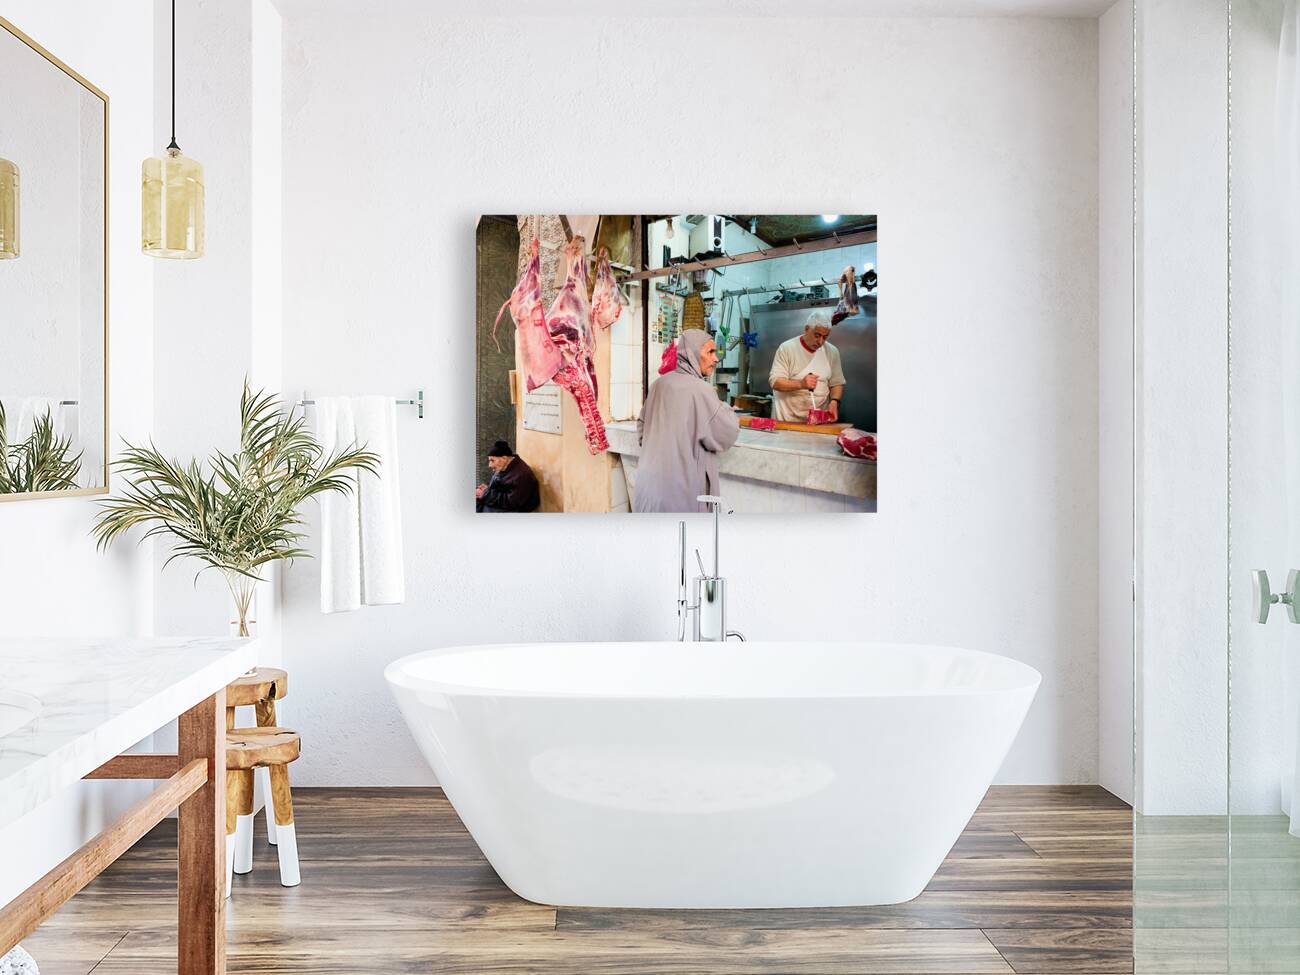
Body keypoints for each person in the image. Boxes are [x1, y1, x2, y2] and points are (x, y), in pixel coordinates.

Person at [633, 329, 739, 513]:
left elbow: (642, 431)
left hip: (647, 491)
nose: (716, 359)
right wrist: (726, 409)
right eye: (710, 352)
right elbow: (727, 434)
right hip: (679, 495)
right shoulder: (702, 390)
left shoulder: (658, 384)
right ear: (691, 354)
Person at [768, 310, 846, 423]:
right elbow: (775, 382)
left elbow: (836, 382)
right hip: (787, 419)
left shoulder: (832, 352)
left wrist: (834, 401)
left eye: (825, 337)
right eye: (817, 335)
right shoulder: (787, 348)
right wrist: (801, 384)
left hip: (818, 421)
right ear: (806, 329)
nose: (820, 341)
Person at [476, 441, 540, 513]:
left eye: (492, 460)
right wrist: (487, 489)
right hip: (503, 503)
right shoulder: (506, 465)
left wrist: (485, 494)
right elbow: (500, 486)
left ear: (504, 458)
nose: (489, 465)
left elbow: (513, 502)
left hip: (515, 509)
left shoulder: (521, 475)